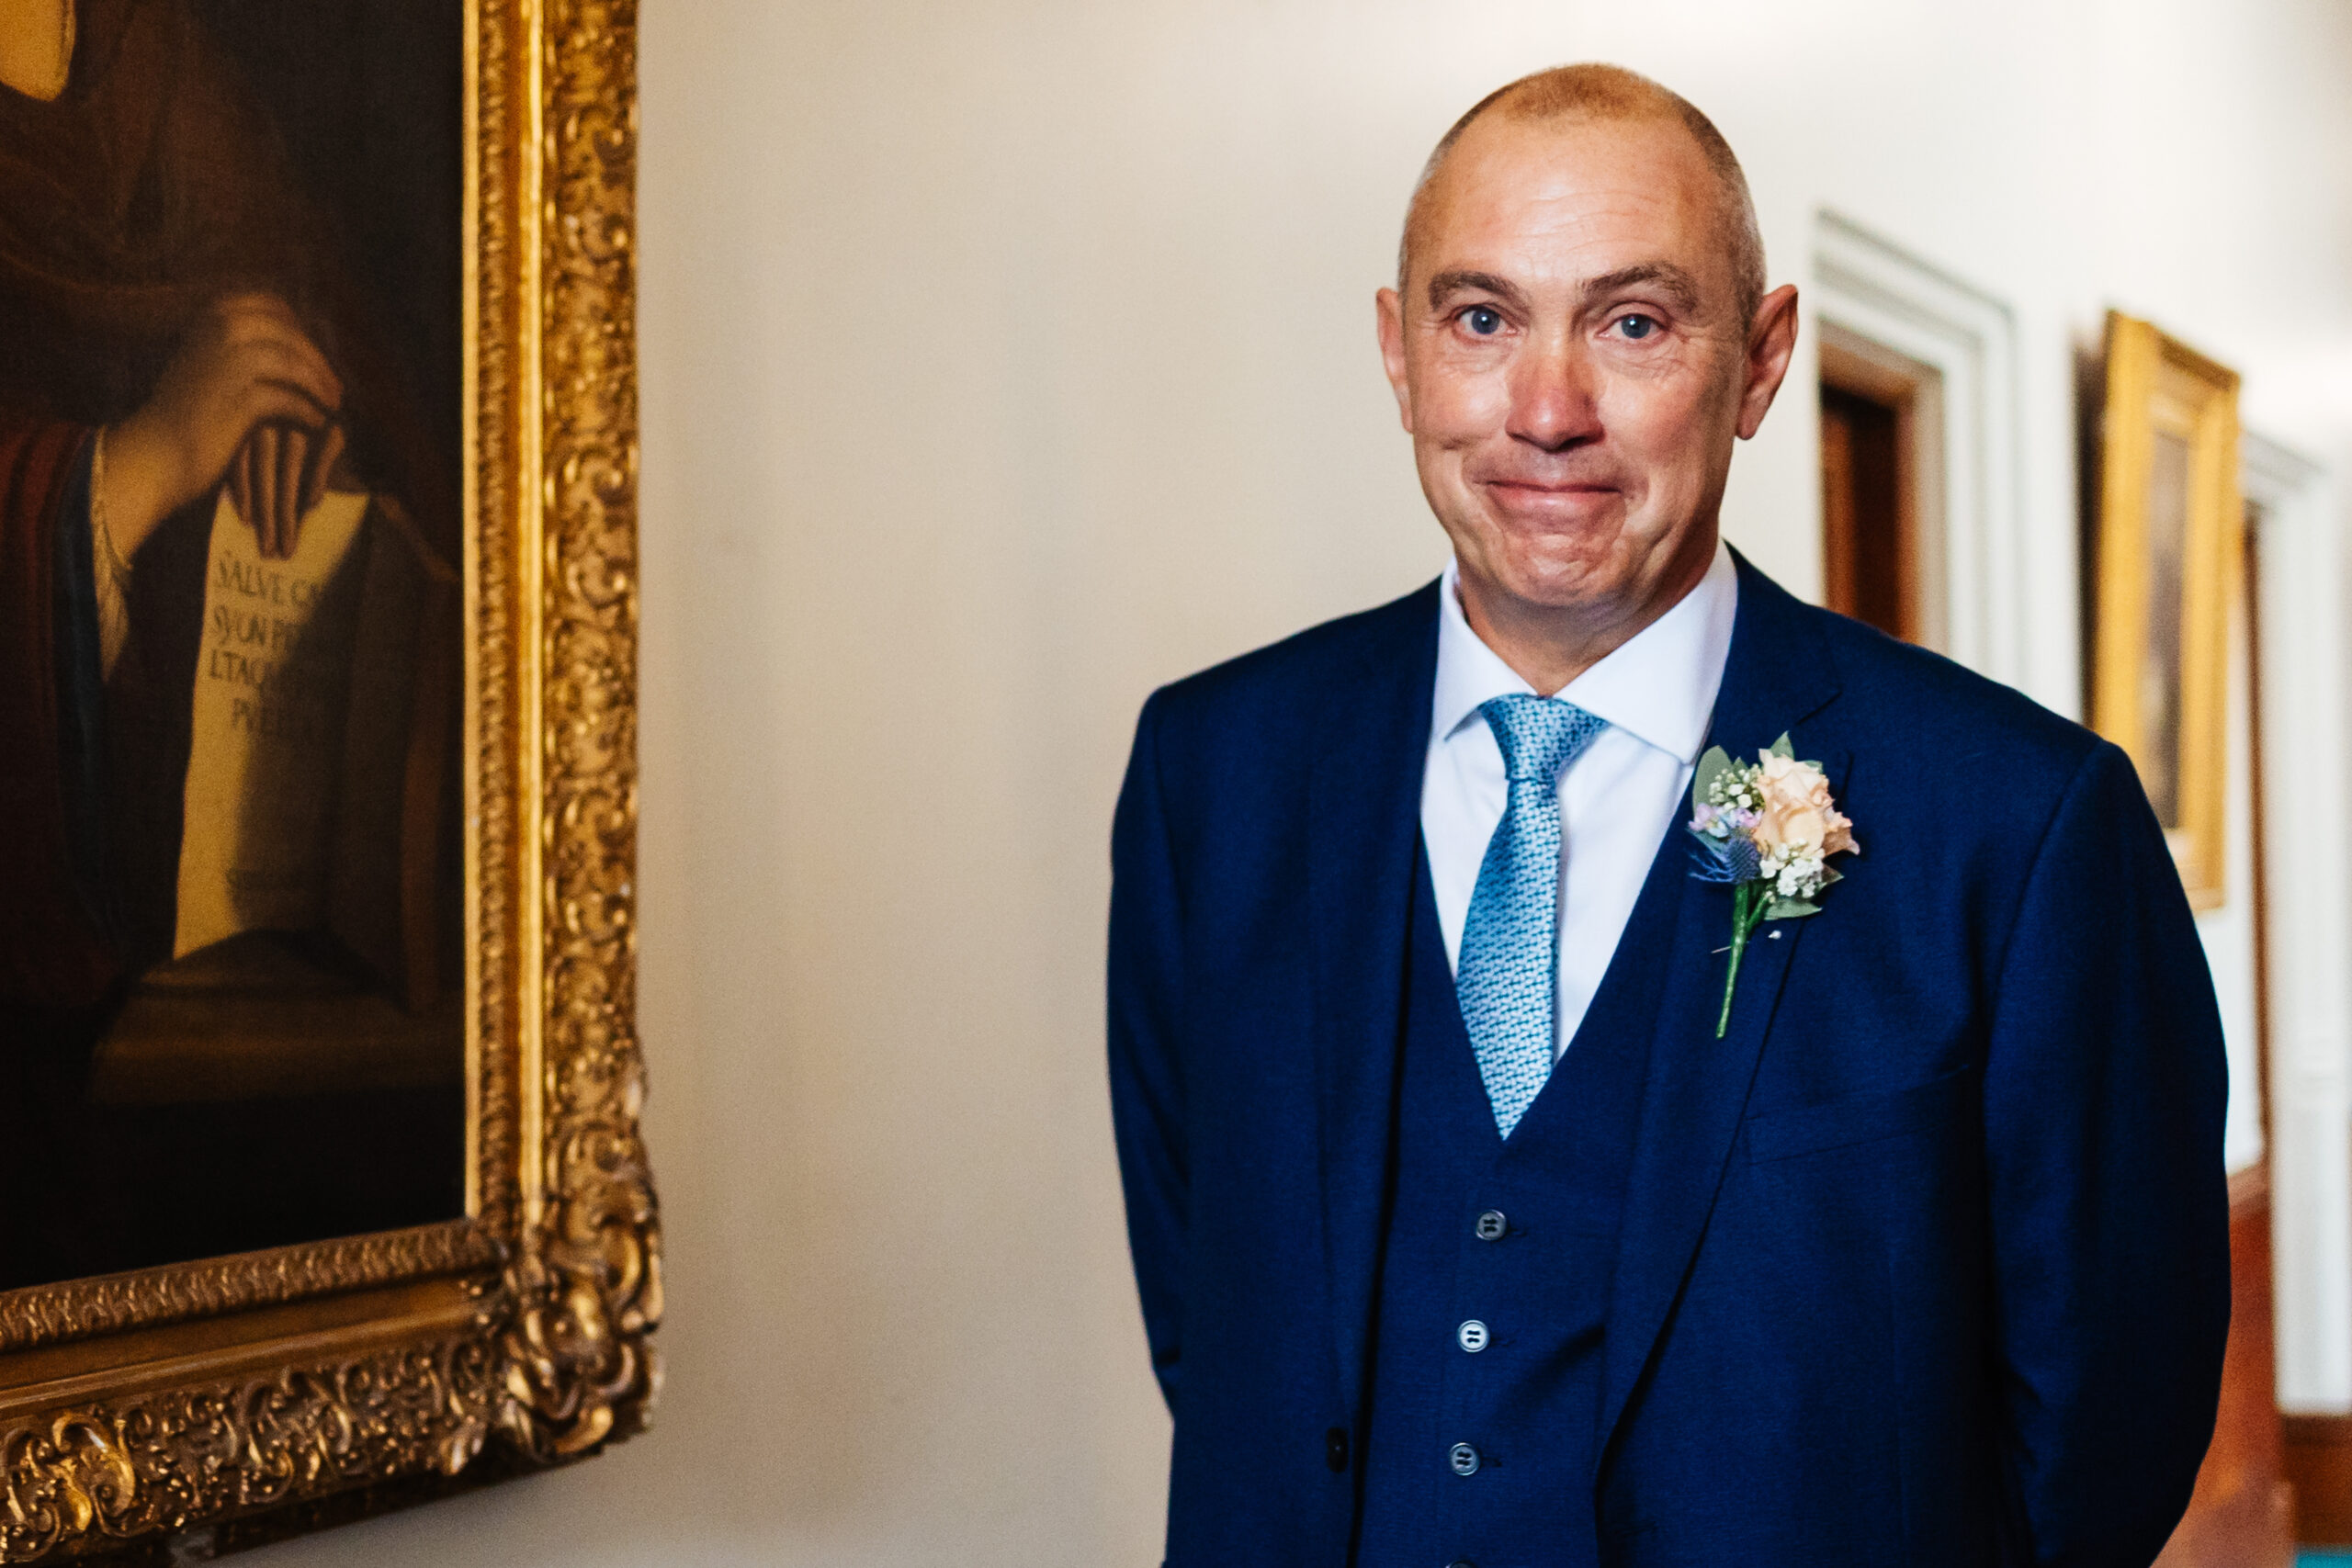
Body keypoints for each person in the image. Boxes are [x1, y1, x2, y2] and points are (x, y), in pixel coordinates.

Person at [1106, 62, 2228, 1567]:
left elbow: (2103, 1433)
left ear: (1761, 363)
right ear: (1398, 350)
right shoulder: (1216, 775)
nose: (1547, 411)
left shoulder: (2019, 827)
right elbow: (1215, 1326)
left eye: (1633, 324)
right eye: (1481, 319)